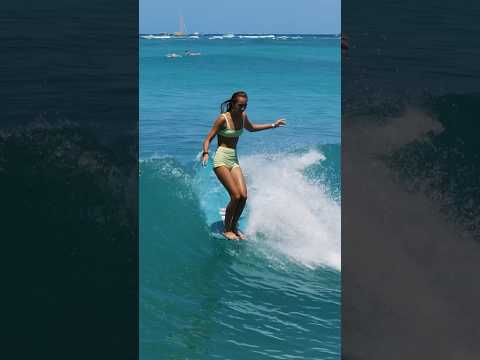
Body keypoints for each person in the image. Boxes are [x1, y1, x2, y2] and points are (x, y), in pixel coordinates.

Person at [201, 91, 287, 240]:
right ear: (233, 104)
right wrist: (206, 153)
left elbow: (252, 128)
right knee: (235, 196)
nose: (243, 108)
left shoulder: (243, 116)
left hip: (233, 159)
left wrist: (274, 125)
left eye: (245, 105)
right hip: (221, 158)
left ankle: (234, 227)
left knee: (243, 196)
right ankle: (227, 229)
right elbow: (208, 138)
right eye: (240, 105)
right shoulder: (223, 119)